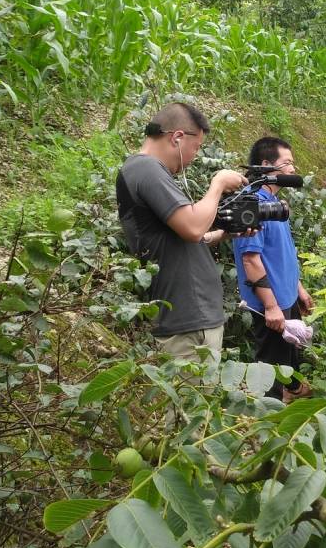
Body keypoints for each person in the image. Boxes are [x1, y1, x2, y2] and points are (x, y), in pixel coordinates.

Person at [116, 102, 248, 361]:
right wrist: (218, 183)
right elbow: (192, 226)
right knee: (195, 400)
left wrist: (222, 235)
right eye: (196, 147)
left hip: (194, 318)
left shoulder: (146, 171)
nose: (195, 156)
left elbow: (176, 240)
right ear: (177, 137)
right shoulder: (146, 168)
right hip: (188, 321)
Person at [233, 137, 314, 402]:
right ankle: (269, 421)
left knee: (288, 355)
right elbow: (251, 260)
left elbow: (284, 253)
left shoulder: (273, 205)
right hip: (270, 303)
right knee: (271, 367)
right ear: (266, 165)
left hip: (285, 296)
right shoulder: (251, 204)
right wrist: (270, 306)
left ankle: (291, 391)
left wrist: (299, 290)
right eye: (286, 163)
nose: (292, 169)